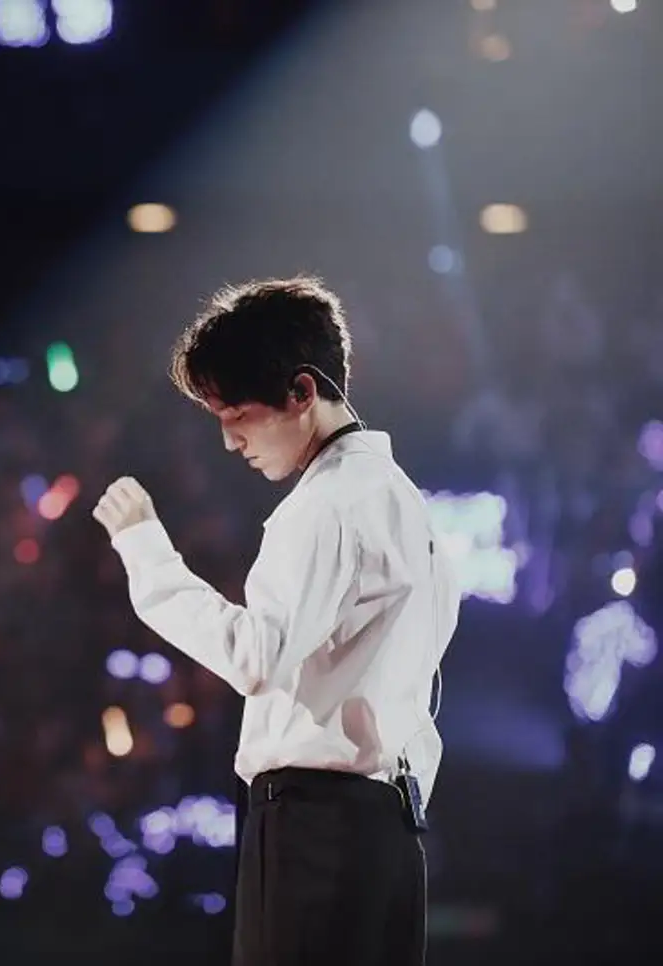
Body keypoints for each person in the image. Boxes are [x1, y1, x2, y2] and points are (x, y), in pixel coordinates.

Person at [92, 276, 461, 966]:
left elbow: (256, 656)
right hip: (388, 835)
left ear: (301, 391)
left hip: (314, 828)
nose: (230, 442)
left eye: (236, 415)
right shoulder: (406, 503)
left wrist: (146, 551)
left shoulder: (325, 505)